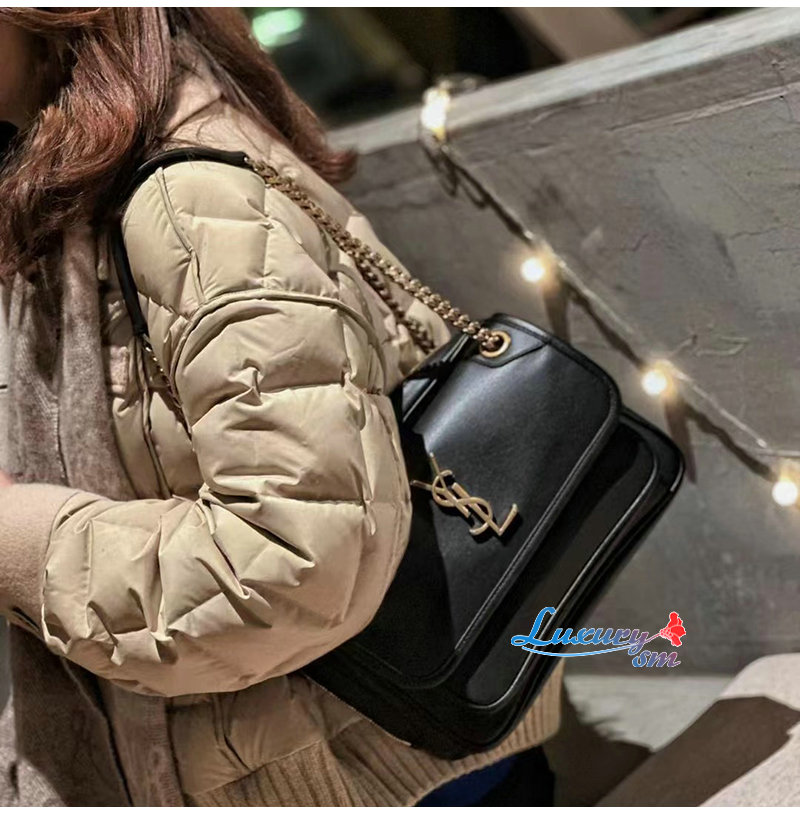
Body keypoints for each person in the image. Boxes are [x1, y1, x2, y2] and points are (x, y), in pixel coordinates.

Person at [0, 8, 563, 806]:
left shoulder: (187, 198)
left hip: (387, 774)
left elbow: (293, 564)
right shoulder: (92, 193)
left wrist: (16, 530)